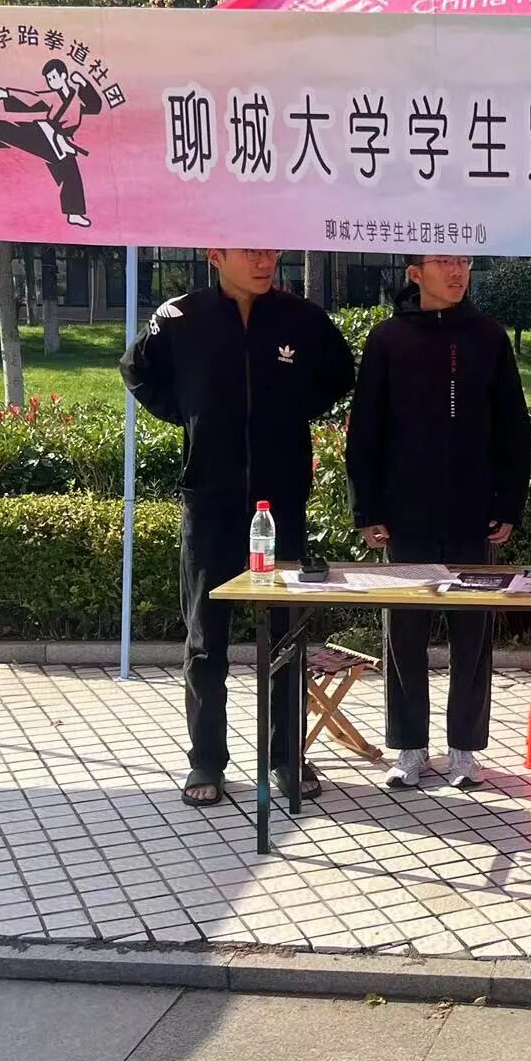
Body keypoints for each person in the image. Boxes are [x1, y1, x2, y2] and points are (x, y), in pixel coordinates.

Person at [121, 249, 354, 807]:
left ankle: (286, 756)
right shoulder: (180, 316)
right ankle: (206, 760)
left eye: (270, 249)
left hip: (282, 502)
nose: (263, 259)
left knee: (286, 637)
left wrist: (289, 408)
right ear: (216, 255)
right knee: (206, 639)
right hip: (211, 501)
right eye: (249, 249)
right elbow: (137, 370)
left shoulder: (303, 318)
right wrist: (191, 410)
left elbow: (340, 375)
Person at [345, 254, 531, 791]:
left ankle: (465, 749)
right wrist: (368, 510)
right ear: (415, 273)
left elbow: (513, 427)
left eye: (463, 261)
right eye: (443, 262)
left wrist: (508, 503)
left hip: (473, 514)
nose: (457, 272)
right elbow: (366, 431)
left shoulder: (489, 336)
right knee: (404, 632)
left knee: (472, 635)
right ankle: (409, 747)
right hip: (406, 515)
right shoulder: (388, 339)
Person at [0, 58, 102, 228]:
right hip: (45, 133)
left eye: (53, 77)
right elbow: (33, 97)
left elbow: (95, 106)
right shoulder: (52, 97)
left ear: (64, 76)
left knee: (71, 173)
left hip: (63, 144)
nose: (51, 82)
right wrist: (7, 93)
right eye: (49, 79)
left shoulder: (77, 98)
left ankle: (74, 214)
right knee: (10, 130)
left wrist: (83, 82)